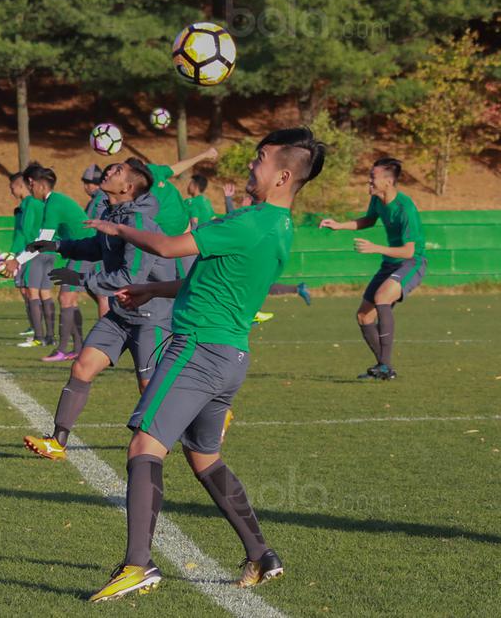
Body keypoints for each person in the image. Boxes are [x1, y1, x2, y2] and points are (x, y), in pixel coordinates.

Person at [85, 127, 325, 601]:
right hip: (231, 355)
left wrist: (119, 227)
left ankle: (137, 565)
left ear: (281, 176)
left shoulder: (250, 221)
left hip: (196, 348)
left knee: (143, 448)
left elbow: (169, 247)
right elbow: (216, 280)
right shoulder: (278, 227)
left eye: (259, 159)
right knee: (205, 457)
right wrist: (155, 290)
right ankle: (260, 553)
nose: (251, 166)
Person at [22, 159, 175, 460]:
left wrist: (80, 279)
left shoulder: (139, 224)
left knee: (149, 387)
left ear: (128, 188)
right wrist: (57, 247)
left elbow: (131, 278)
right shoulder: (111, 213)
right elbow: (96, 248)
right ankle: (57, 442)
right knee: (82, 366)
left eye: (117, 172)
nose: (108, 172)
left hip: (152, 316)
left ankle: (206, 421)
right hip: (121, 314)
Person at [319, 157, 425, 380]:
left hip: (411, 263)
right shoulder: (378, 200)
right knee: (364, 316)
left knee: (382, 296)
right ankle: (384, 368)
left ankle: (384, 366)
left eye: (372, 177)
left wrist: (376, 248)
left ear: (388, 182)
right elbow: (368, 220)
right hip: (391, 263)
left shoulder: (405, 208)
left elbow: (408, 251)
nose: (368, 180)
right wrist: (339, 226)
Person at [27, 166, 97, 361]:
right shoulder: (55, 201)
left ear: (41, 185)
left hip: (85, 251)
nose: (29, 189)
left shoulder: (53, 204)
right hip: (84, 250)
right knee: (72, 300)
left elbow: (44, 239)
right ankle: (78, 348)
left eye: (30, 184)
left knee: (66, 298)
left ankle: (62, 350)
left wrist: (17, 261)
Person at [147, 149, 218, 277]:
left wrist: (193, 238)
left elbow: (194, 220)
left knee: (182, 279)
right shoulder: (206, 201)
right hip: (200, 244)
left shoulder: (192, 202)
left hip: (185, 242)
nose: (188, 185)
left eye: (190, 183)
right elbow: (214, 219)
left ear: (195, 185)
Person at [4, 169, 50, 343]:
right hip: (25, 252)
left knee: (31, 291)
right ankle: (37, 328)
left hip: (29, 253)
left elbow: (29, 231)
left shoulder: (32, 204)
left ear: (21, 186)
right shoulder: (24, 205)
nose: (11, 191)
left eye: (12, 187)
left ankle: (39, 330)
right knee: (29, 291)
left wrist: (20, 254)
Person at [82, 164, 110, 319]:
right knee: (95, 290)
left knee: (100, 293)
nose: (86, 186)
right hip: (99, 249)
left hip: (97, 251)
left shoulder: (99, 199)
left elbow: (88, 225)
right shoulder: (98, 199)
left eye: (89, 183)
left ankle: (105, 331)